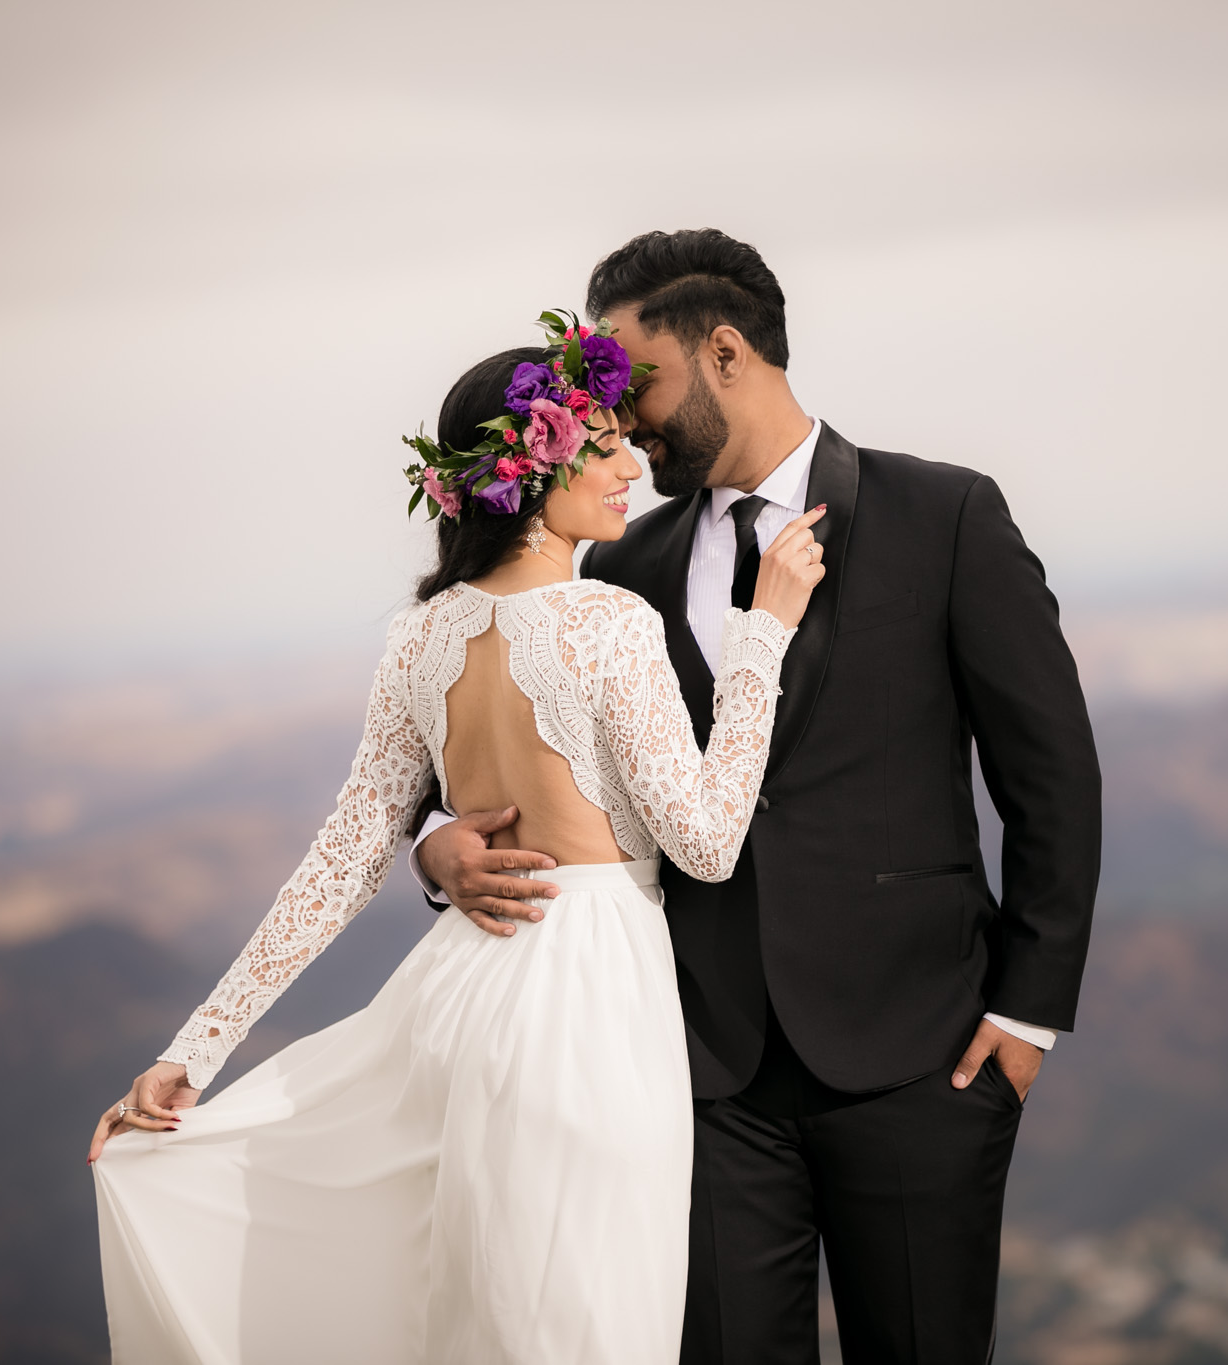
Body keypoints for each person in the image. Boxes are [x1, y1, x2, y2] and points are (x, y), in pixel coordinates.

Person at [415, 231, 1101, 1363]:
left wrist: (1026, 1016)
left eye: (637, 385)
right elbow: (477, 736)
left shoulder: (945, 517)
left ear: (725, 351)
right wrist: (438, 845)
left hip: (921, 1060)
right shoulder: (618, 569)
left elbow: (1051, 776)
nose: (620, 422)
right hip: (691, 1070)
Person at [86, 316, 827, 1365]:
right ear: (532, 468)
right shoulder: (605, 623)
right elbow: (706, 844)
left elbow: (340, 860)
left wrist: (190, 1051)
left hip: (456, 1007)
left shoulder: (419, 635)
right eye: (602, 444)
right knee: (591, 1323)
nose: (629, 466)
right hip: (589, 1016)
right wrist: (765, 632)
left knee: (483, 1319)